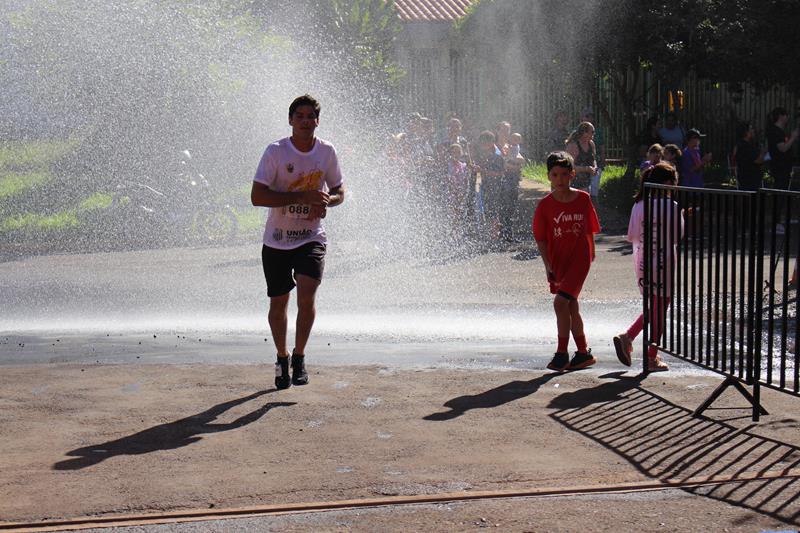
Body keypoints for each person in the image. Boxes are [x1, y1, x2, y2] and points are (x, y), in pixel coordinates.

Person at [251, 94, 345, 390]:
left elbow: (340, 190)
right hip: (277, 239)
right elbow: (257, 197)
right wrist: (300, 197)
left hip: (310, 237)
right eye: (300, 116)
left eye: (311, 117)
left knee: (307, 293)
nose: (306, 121)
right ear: (290, 120)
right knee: (279, 302)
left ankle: (300, 356)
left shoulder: (326, 152)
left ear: (318, 121)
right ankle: (282, 357)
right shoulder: (276, 151)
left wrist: (327, 201)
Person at [533, 151, 601, 371]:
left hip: (579, 260)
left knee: (560, 303)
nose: (560, 179)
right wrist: (548, 266)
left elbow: (590, 231)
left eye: (564, 174)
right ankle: (583, 353)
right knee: (570, 306)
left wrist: (590, 255)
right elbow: (541, 239)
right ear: (548, 176)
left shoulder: (583, 198)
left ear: (572, 175)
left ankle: (561, 354)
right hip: (558, 260)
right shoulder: (544, 205)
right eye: (555, 175)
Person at [613, 162, 684, 372]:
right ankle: (649, 356)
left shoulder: (639, 204)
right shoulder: (671, 206)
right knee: (661, 307)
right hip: (664, 260)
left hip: (643, 260)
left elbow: (632, 235)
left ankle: (630, 337)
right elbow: (676, 236)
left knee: (653, 305)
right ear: (667, 183)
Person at [473, 130, 505, 237]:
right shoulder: (481, 154)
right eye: (482, 142)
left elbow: (500, 173)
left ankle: (495, 233)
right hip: (483, 185)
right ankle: (489, 232)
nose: (483, 145)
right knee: (484, 208)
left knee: (493, 209)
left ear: (492, 142)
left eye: (485, 142)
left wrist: (482, 171)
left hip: (494, 186)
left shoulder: (497, 155)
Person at [766, 107, 799, 190]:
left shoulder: (780, 131)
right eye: (786, 115)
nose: (788, 118)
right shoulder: (775, 131)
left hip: (784, 168)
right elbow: (783, 148)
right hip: (780, 168)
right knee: (780, 192)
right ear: (781, 116)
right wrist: (793, 137)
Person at [565, 122, 598, 192]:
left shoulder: (591, 144)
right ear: (584, 133)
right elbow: (568, 167)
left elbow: (594, 159)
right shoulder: (573, 145)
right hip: (572, 183)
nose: (594, 134)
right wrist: (586, 169)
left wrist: (595, 167)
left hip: (586, 183)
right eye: (592, 132)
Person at [734, 122, 767, 191]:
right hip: (749, 181)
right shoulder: (744, 146)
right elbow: (758, 160)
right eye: (751, 129)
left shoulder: (746, 145)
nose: (753, 130)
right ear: (746, 132)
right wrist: (764, 151)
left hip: (749, 180)